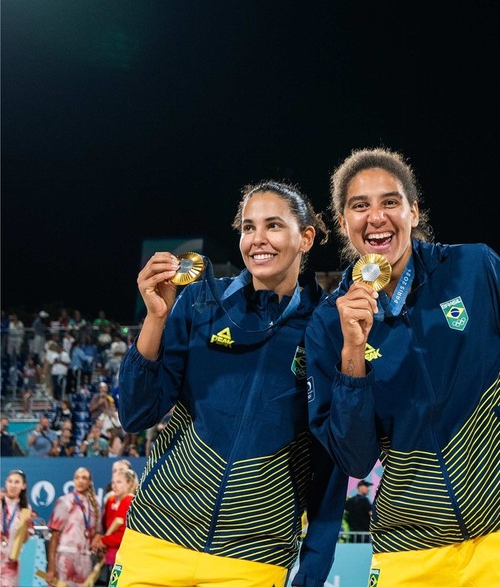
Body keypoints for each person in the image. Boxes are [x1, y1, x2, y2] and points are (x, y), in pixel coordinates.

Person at [306, 147, 500, 586]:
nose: (376, 217)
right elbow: (355, 457)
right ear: (343, 222)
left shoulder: (473, 267)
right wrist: (353, 351)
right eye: (359, 206)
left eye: (390, 201)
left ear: (413, 210)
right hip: (411, 540)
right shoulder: (328, 323)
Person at [116, 180, 347, 587]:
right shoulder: (201, 303)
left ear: (306, 237)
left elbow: (331, 465)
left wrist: (311, 573)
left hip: (253, 559)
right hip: (157, 539)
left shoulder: (330, 327)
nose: (258, 240)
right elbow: (136, 413)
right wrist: (155, 319)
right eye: (248, 227)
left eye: (273, 226)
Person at [45, 467, 102, 587]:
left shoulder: (95, 504)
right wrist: (51, 567)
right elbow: (54, 538)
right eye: (77, 478)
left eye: (84, 478)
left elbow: (98, 532)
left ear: (90, 482)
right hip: (65, 559)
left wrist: (97, 537)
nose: (80, 481)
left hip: (85, 561)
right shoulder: (65, 501)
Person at [92, 467, 138, 584]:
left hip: (123, 559)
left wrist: (104, 541)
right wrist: (99, 539)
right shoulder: (110, 501)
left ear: (129, 484)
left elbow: (124, 534)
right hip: (109, 558)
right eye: (113, 482)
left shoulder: (130, 501)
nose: (115, 485)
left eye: (119, 482)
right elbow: (104, 527)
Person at [0, 469, 35, 586]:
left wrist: (25, 525)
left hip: (10, 563)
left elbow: (25, 539)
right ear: (5, 483)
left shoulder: (25, 509)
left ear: (23, 486)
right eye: (10, 481)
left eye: (17, 482)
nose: (13, 485)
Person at [344, 479, 374, 544]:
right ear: (360, 487)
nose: (368, 489)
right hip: (365, 535)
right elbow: (372, 515)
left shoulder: (350, 501)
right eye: (366, 486)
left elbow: (344, 514)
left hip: (352, 534)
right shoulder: (365, 500)